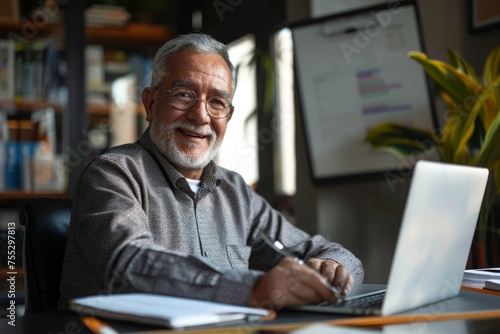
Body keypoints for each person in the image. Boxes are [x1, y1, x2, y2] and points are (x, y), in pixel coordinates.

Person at [58, 33, 364, 310]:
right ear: (151, 104)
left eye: (217, 102)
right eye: (183, 95)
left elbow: (321, 250)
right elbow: (129, 264)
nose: (201, 115)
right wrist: (253, 289)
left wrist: (334, 267)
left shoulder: (235, 191)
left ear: (227, 116)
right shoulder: (112, 174)